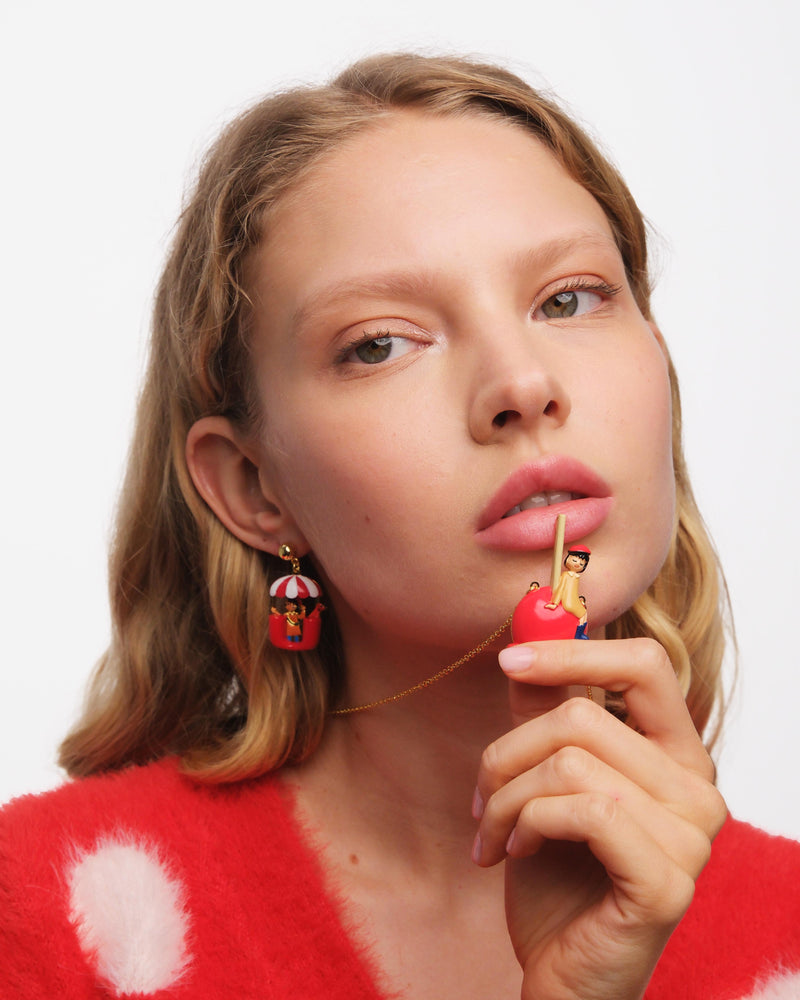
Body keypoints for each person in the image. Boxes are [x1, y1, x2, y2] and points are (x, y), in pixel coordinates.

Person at [2, 53, 799, 1000]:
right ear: (255, 488)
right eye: (380, 344)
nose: (523, 385)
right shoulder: (48, 925)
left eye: (571, 298)